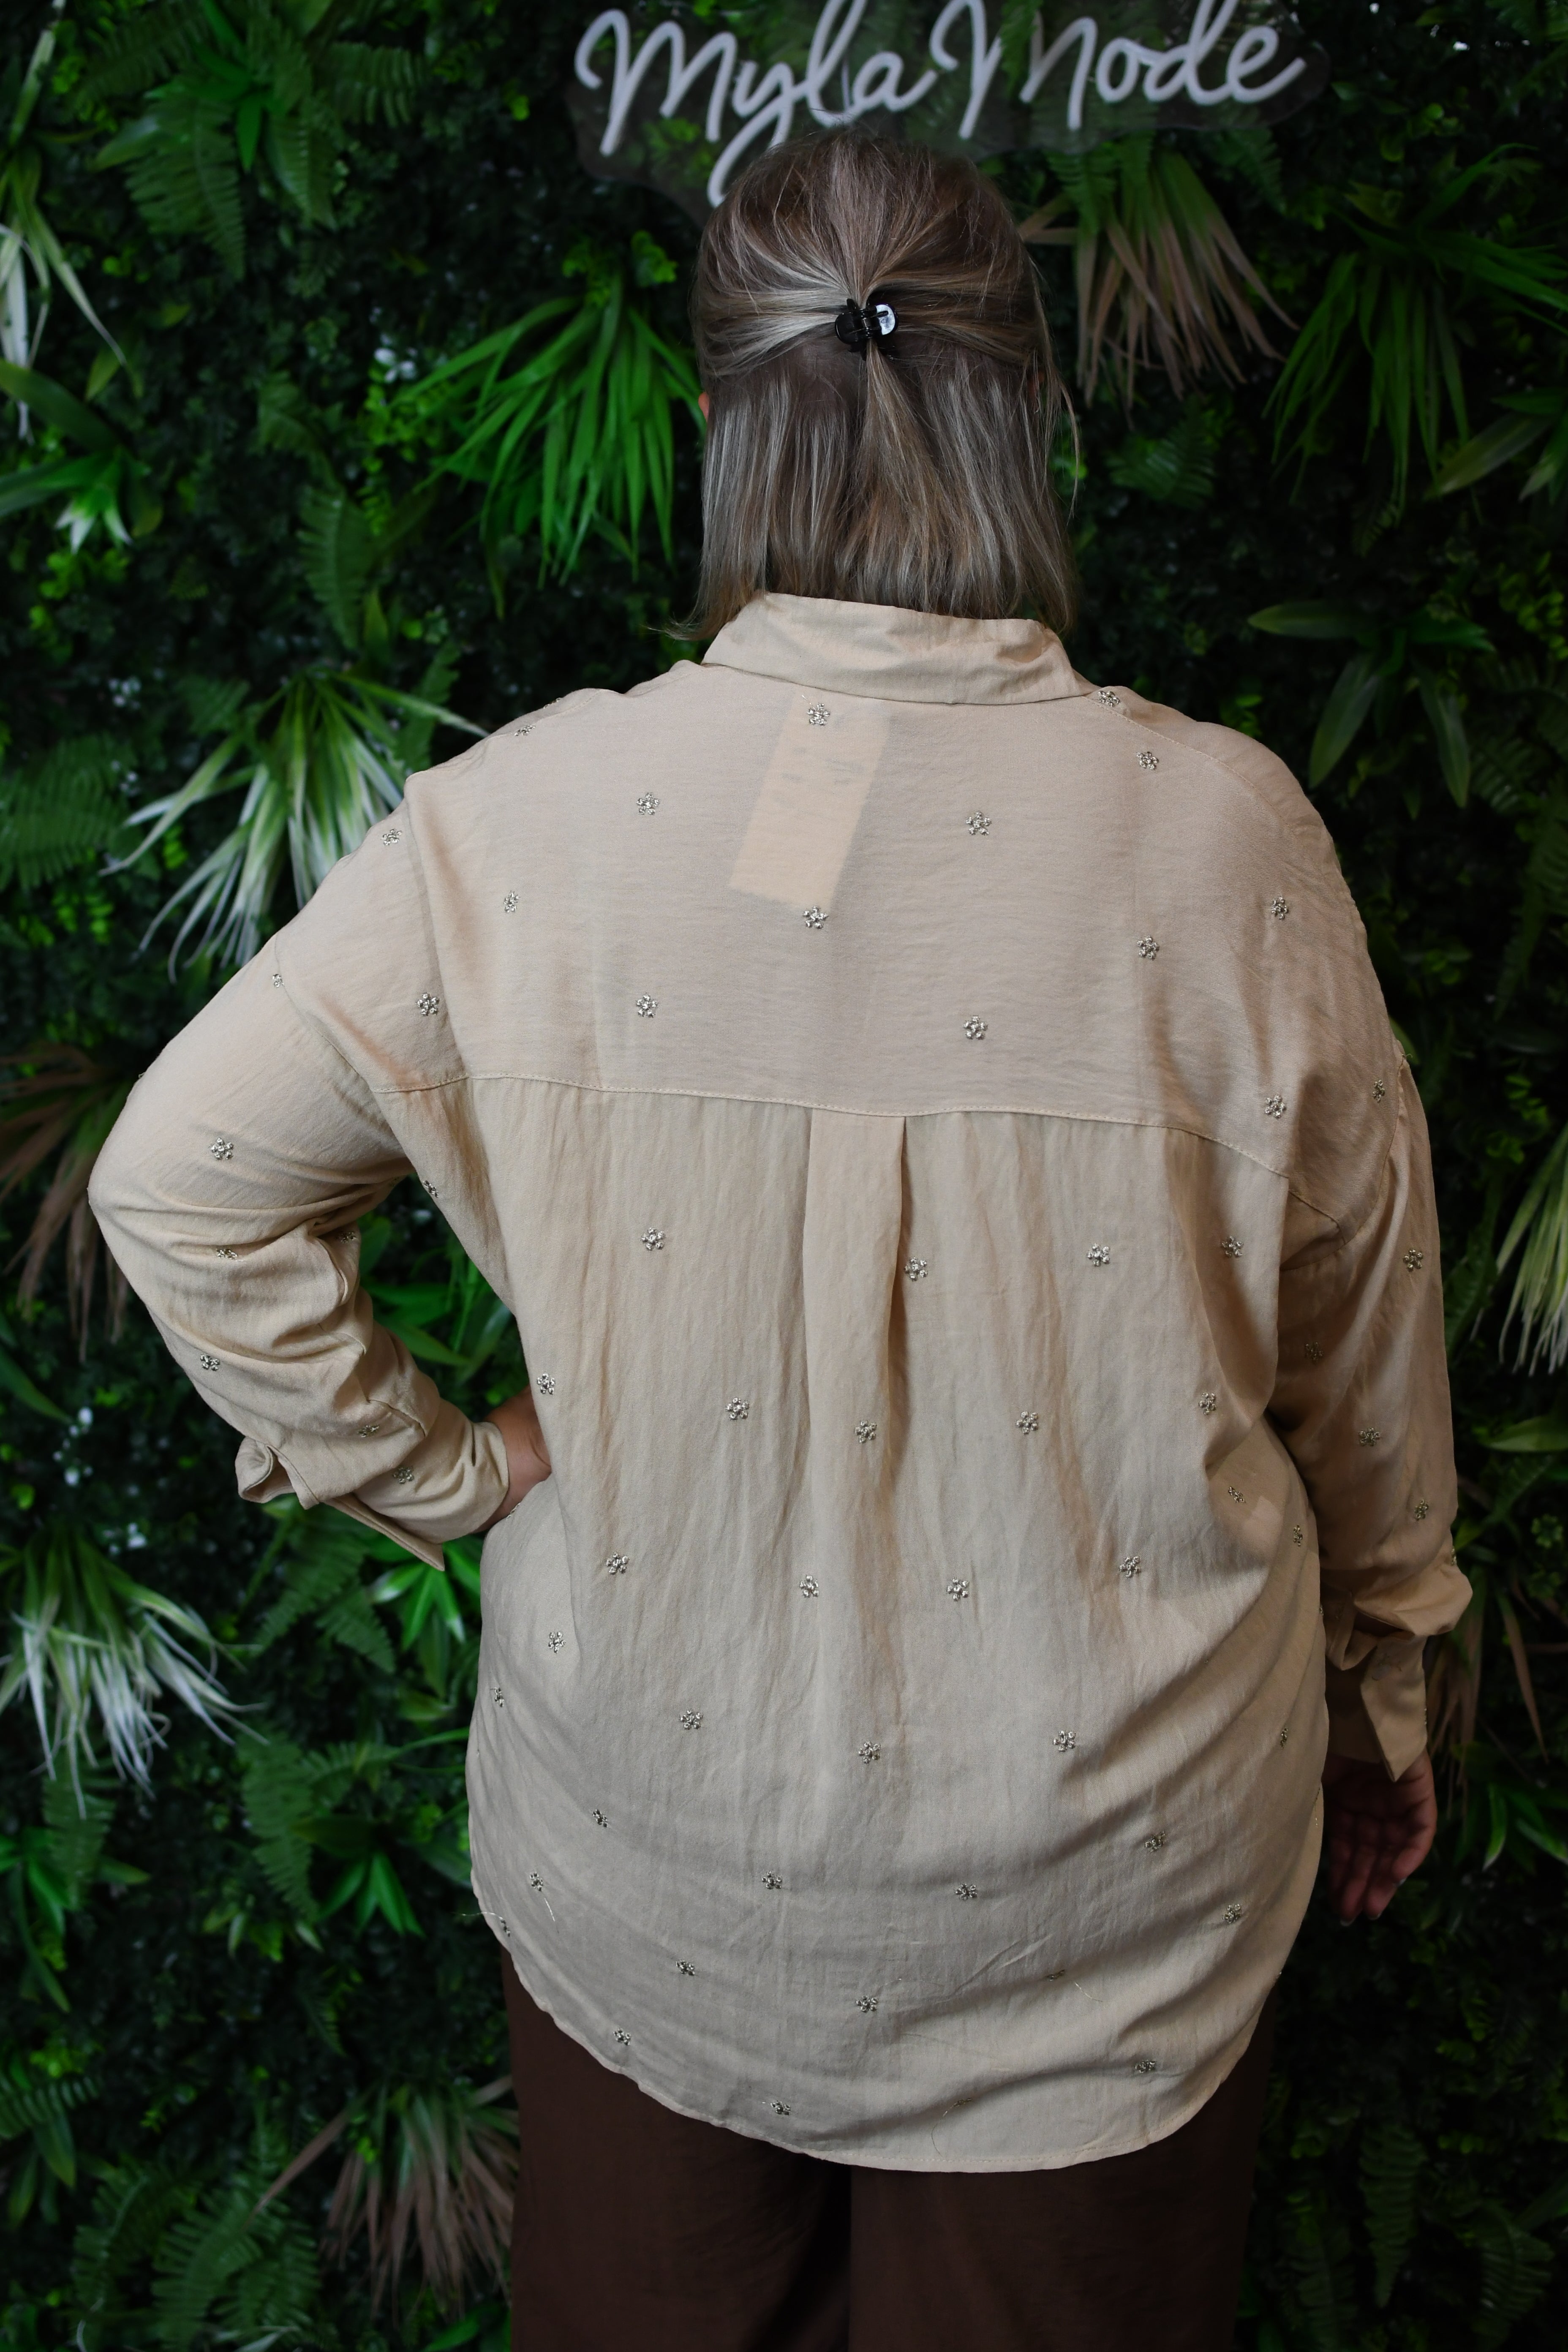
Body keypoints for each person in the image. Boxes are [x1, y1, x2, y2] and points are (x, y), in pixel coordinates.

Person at [91, 131, 1469, 2352]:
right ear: (1023, 402)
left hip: (658, 1863)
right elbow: (1367, 1343)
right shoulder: (1229, 844)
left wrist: (447, 1475)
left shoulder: (523, 822)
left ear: (728, 416)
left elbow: (180, 1178)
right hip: (1103, 1914)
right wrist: (1385, 1686)